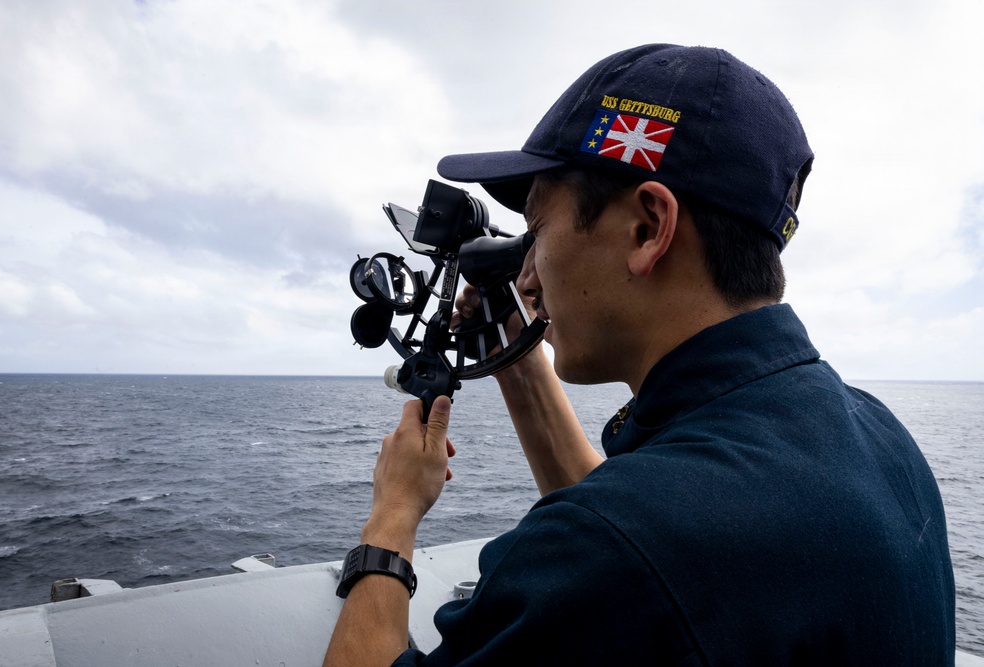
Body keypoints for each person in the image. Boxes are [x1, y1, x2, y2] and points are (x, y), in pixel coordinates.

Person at [323, 44, 956, 665]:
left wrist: (392, 515)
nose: (528, 276)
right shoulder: (879, 437)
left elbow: (631, 548)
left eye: (538, 232)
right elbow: (651, 529)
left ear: (648, 228)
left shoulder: (614, 551)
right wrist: (515, 358)